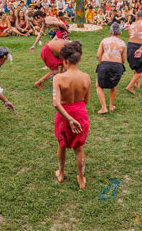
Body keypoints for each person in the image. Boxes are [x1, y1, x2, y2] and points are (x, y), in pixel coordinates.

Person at [52, 41, 90, 189]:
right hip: (80, 113)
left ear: (64, 60)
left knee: (62, 144)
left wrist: (69, 119)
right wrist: (75, 118)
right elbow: (86, 100)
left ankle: (61, 173)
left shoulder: (59, 78)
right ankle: (81, 178)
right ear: (79, 59)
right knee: (79, 148)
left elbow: (56, 103)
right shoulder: (86, 77)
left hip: (63, 115)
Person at [95, 23, 126, 114]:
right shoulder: (123, 43)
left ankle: (104, 107)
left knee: (99, 85)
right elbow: (123, 59)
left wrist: (102, 63)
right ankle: (111, 106)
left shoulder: (104, 41)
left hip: (105, 64)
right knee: (113, 85)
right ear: (120, 33)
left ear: (110, 32)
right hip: (117, 66)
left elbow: (98, 55)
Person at [124, 10, 142, 94]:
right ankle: (130, 86)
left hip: (130, 46)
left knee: (136, 66)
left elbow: (131, 35)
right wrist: (141, 49)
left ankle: (137, 82)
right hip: (140, 46)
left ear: (137, 17)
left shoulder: (132, 24)